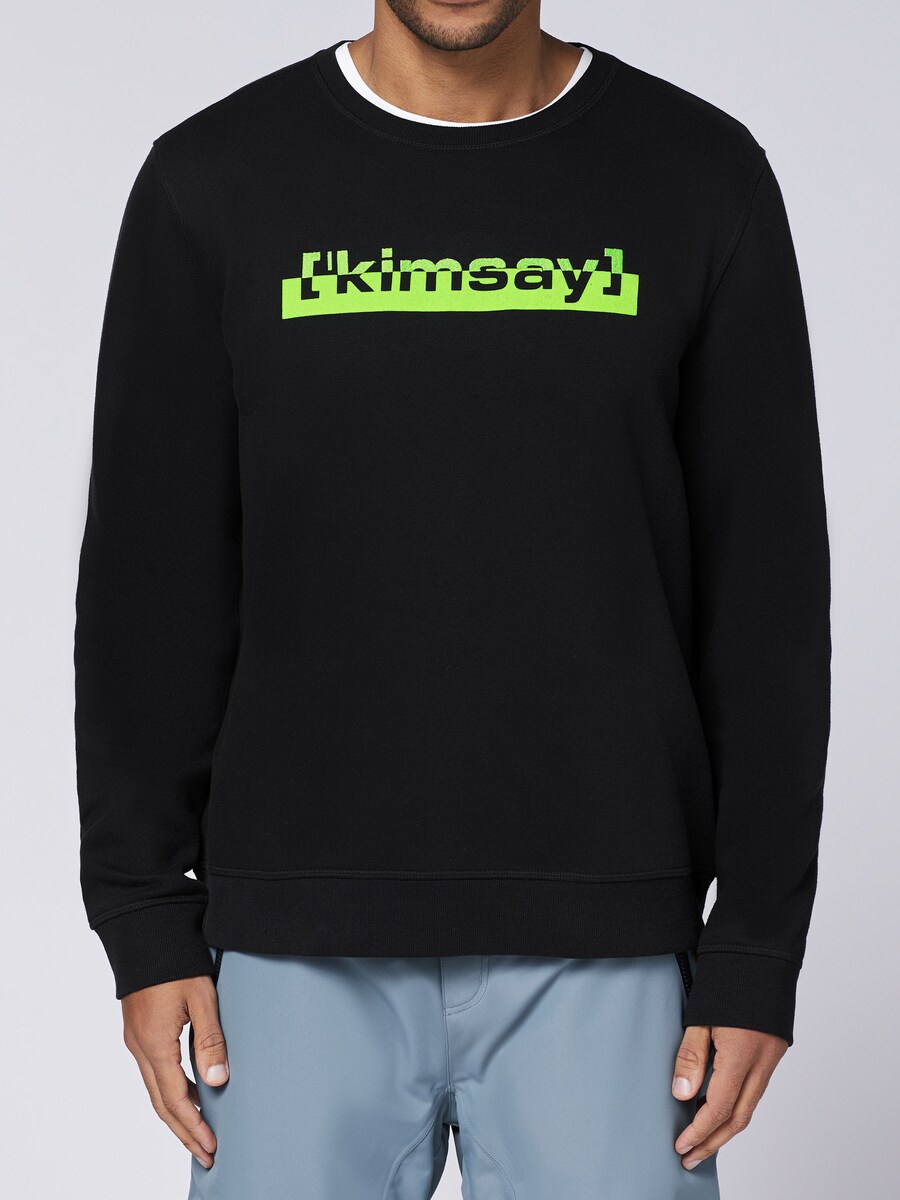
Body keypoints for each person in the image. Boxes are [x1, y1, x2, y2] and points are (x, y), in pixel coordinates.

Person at [73, 2, 831, 1196]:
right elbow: (146, 588)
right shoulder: (211, 181)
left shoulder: (699, 175)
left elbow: (768, 595)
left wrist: (757, 947)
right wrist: (142, 916)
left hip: (610, 943)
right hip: (291, 944)